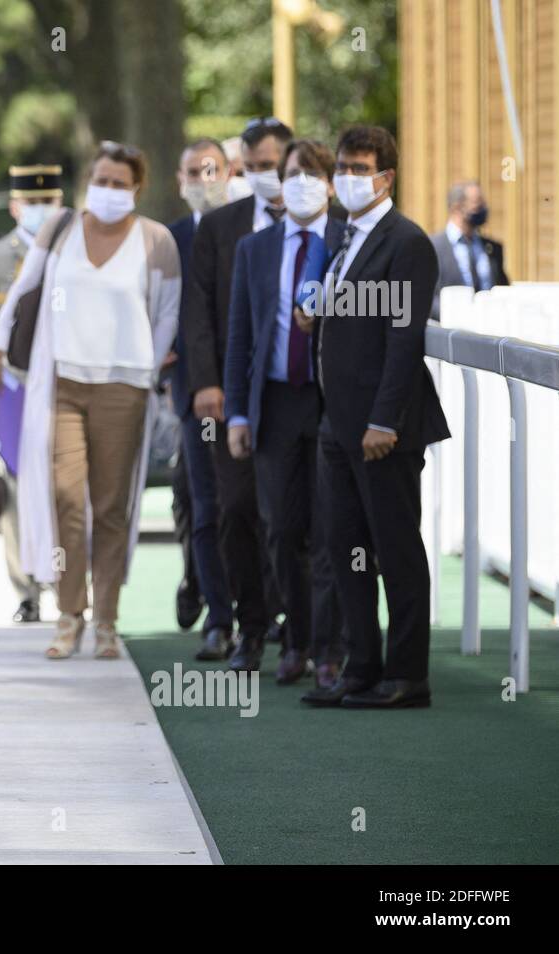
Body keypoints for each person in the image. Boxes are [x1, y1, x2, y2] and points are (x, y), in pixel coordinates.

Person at [0, 141, 181, 661]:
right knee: (66, 501)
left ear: (137, 188)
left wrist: (146, 368)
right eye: (101, 181)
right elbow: (23, 290)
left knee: (111, 506)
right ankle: (71, 613)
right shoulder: (61, 229)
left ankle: (107, 620)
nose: (108, 191)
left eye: (119, 183)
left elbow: (167, 312)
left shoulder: (155, 240)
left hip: (124, 387)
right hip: (63, 385)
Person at [300, 125, 449, 709]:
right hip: (336, 424)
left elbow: (403, 338)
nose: (347, 178)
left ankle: (407, 674)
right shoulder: (345, 238)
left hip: (384, 427)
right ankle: (360, 666)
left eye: (359, 169)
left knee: (395, 549)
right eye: (342, 167)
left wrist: (384, 420)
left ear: (386, 178)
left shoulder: (406, 242)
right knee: (345, 549)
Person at [224, 139, 345, 685]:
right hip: (273, 403)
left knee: (329, 529)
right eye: (292, 172)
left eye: (312, 173)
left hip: (329, 401)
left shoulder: (346, 242)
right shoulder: (255, 248)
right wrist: (237, 415)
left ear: (330, 184)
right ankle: (294, 640)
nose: (301, 182)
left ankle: (328, 648)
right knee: (280, 527)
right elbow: (240, 337)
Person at [181, 117, 292, 666]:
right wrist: (206, 382)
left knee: (296, 516)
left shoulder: (329, 225)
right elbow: (198, 310)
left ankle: (303, 632)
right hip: (232, 396)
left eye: (269, 166)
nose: (260, 176)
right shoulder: (221, 227)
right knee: (235, 509)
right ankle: (248, 628)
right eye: (250, 168)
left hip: (297, 394)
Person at [0, 163, 63, 624]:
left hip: (64, 384)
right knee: (16, 490)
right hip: (13, 388)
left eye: (48, 202)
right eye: (32, 202)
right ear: (15, 206)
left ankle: (65, 583)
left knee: (65, 486)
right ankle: (27, 591)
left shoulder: (76, 250)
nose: (41, 210)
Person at [169, 138, 234, 646]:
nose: (202, 180)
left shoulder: (251, 228)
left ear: (229, 173)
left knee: (251, 506)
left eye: (211, 170)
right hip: (196, 396)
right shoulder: (169, 240)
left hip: (250, 393)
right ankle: (217, 616)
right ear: (179, 181)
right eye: (193, 172)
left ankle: (263, 611)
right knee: (203, 502)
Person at [429, 179, 508, 320]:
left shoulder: (492, 248)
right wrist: (458, 315)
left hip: (491, 326)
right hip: (454, 328)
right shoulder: (432, 247)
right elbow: (426, 297)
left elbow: (503, 289)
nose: (484, 208)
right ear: (456, 208)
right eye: (477, 204)